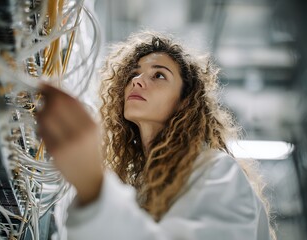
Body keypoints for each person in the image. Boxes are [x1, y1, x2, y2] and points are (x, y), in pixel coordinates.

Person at [37, 30, 273, 240]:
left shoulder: (217, 170)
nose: (137, 81)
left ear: (184, 102)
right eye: (135, 73)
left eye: (159, 75)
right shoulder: (139, 181)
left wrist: (94, 187)